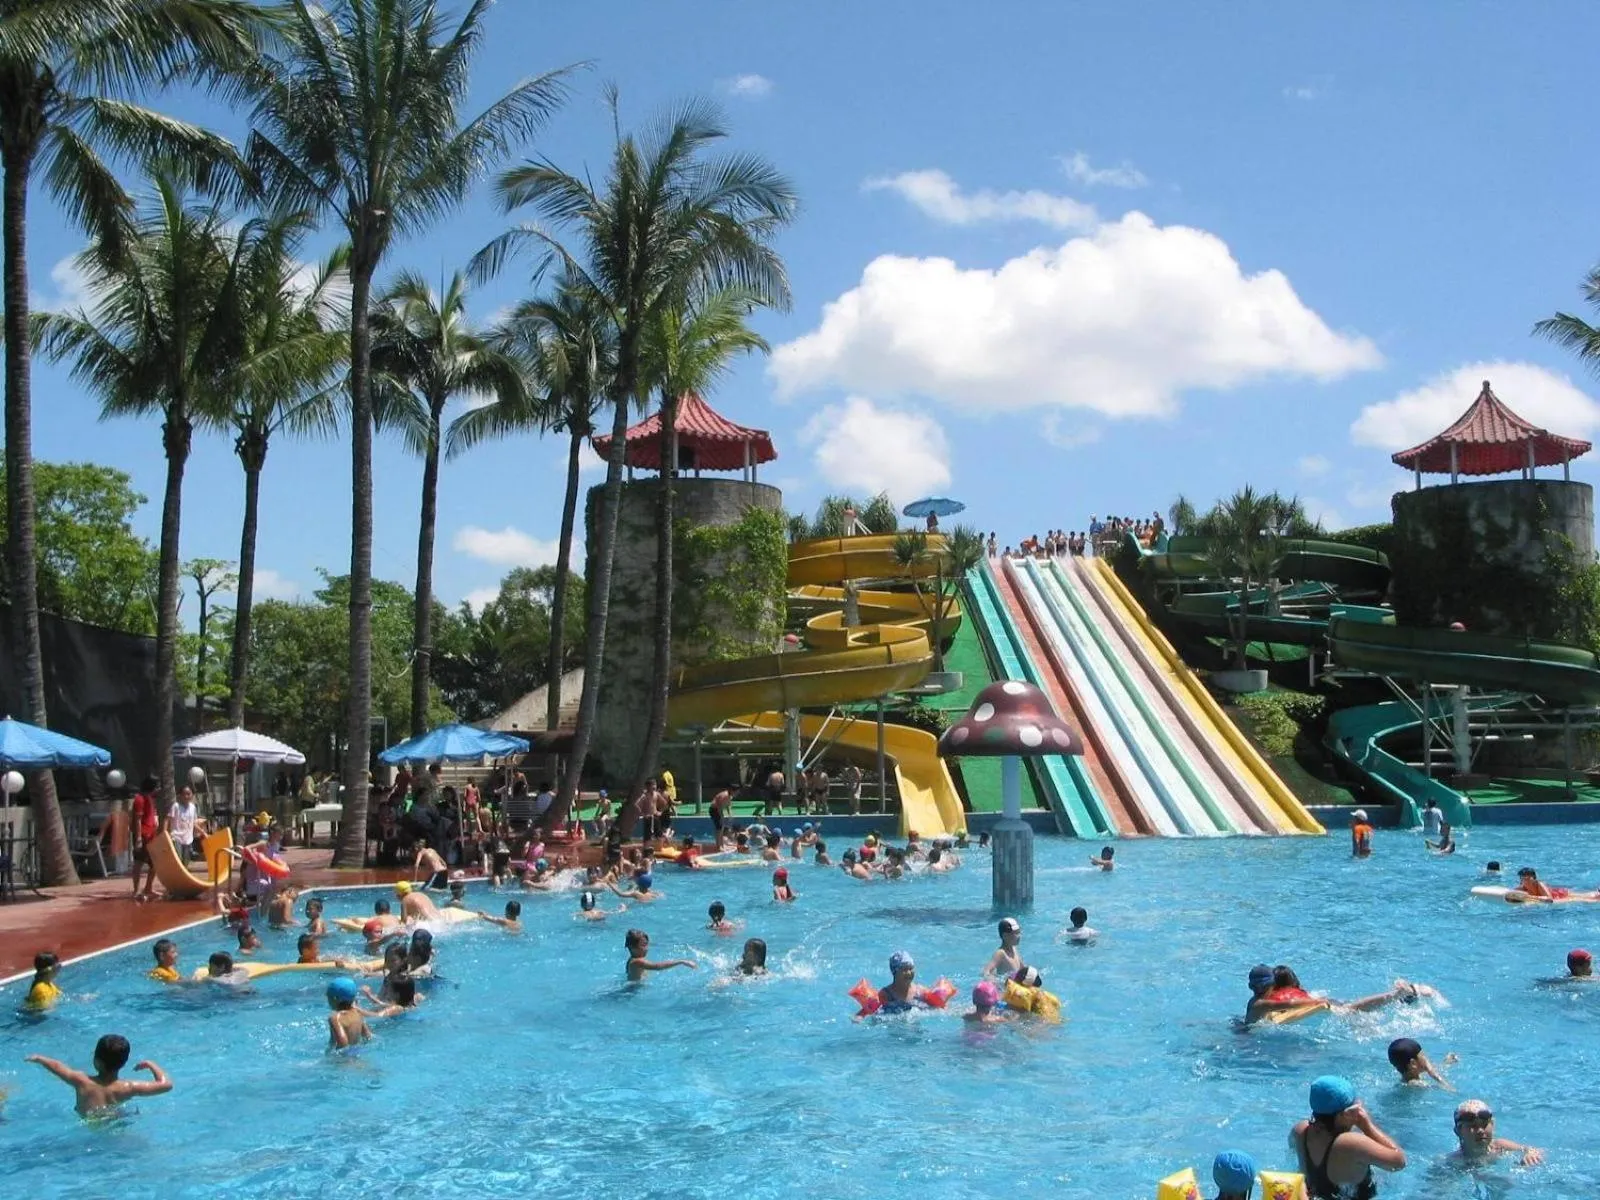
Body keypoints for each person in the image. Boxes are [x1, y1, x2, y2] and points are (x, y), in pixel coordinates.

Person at [1291, 1075, 1406, 1199]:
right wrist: (1366, 1125)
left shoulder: (1300, 1131)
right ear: (1344, 1115)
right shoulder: (1351, 1143)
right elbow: (1399, 1162)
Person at [26, 1034, 171, 1117]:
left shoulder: (82, 1081)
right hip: (111, 1124)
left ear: (96, 1060)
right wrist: (151, 1064)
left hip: (86, 1121)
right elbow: (165, 1085)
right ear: (124, 1062)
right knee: (126, 1113)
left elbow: (59, 1067)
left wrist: (40, 1059)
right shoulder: (129, 1087)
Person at [1449, 1099, 1542, 1167]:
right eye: (1472, 1126)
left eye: (1484, 1125)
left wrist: (1531, 1154)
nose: (1480, 1130)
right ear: (1458, 1131)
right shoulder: (1454, 1161)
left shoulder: (1500, 1146)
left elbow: (1533, 1149)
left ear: (1492, 1125)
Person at [129, 775, 160, 902]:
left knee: (155, 863)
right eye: (157, 786)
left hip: (151, 834)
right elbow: (138, 819)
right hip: (143, 835)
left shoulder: (150, 798)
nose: (159, 789)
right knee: (139, 863)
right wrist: (138, 838)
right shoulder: (140, 799)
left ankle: (148, 887)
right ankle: (136, 890)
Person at [624, 929, 696, 981]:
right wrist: (681, 961)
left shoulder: (632, 959)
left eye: (647, 944)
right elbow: (657, 966)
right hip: (634, 991)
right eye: (643, 945)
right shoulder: (636, 962)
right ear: (632, 947)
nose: (647, 948)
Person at [1386, 1037, 1453, 1089]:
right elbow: (1448, 1089)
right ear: (1413, 1063)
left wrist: (1446, 1063)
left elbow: (1431, 1071)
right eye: (1423, 1055)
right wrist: (1432, 1071)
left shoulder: (1412, 1077)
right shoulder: (1416, 1084)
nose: (1427, 1059)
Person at [326, 977, 371, 1050]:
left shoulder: (335, 1018)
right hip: (357, 1053)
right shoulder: (358, 1013)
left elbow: (343, 1043)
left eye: (328, 996)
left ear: (335, 998)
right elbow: (367, 1036)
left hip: (345, 1058)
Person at [167, 784, 202, 863]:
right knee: (178, 859)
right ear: (180, 795)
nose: (186, 796)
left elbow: (193, 823)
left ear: (192, 795)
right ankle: (176, 875)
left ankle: (182, 875)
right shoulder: (175, 806)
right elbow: (167, 819)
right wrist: (165, 833)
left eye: (188, 794)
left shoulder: (193, 807)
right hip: (176, 837)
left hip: (188, 839)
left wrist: (202, 832)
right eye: (184, 794)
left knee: (186, 861)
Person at [99, 797, 131, 875]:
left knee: (119, 864)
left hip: (115, 844)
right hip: (124, 844)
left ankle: (120, 871)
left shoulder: (112, 815)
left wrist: (99, 840)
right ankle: (122, 871)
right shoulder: (126, 816)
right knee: (123, 863)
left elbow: (103, 828)